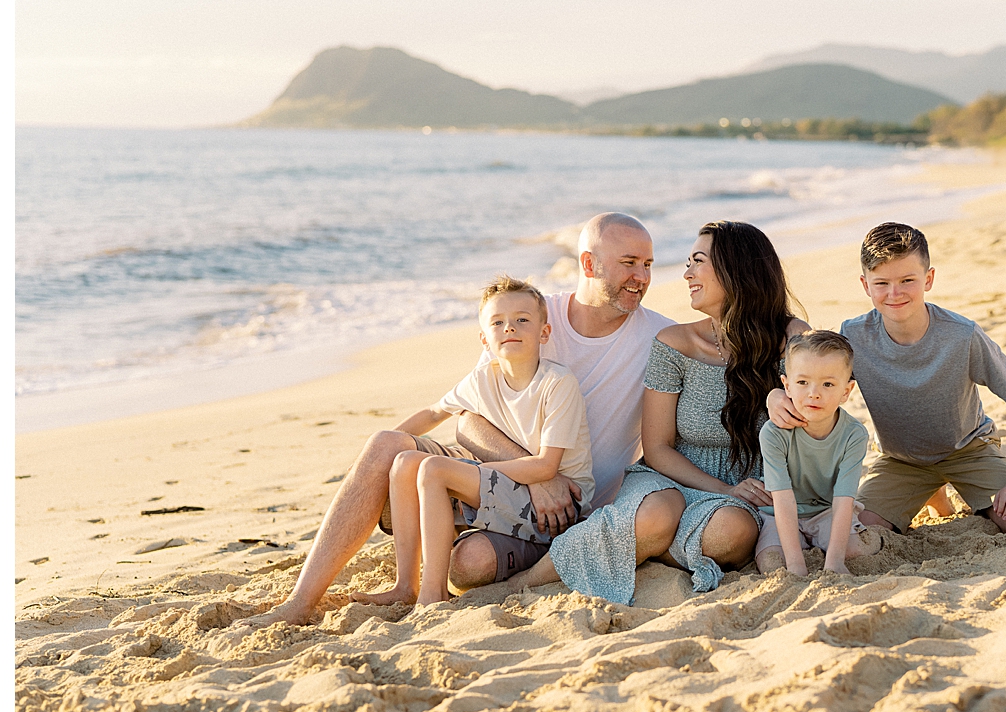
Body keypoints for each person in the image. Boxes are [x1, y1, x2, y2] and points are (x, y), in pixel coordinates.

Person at [241, 212, 694, 627]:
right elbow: (468, 421)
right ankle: (302, 602)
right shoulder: (526, 315)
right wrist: (538, 473)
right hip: (507, 474)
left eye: (649, 265)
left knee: (470, 566)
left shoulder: (660, 337)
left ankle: (442, 545)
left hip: (563, 510)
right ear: (589, 264)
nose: (642, 278)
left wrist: (548, 474)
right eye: (630, 263)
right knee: (385, 446)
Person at [476, 220, 810, 606]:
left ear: (736, 269)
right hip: (670, 474)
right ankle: (524, 584)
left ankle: (647, 547)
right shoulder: (674, 341)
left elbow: (816, 410)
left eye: (697, 262)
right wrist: (721, 488)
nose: (685, 273)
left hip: (745, 485)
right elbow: (657, 448)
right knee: (654, 516)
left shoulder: (792, 337)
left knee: (730, 535)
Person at [768, 221, 1006, 536]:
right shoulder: (852, 336)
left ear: (928, 279)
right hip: (901, 461)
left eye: (907, 280)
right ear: (865, 285)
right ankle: (930, 491)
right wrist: (774, 395)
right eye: (882, 283)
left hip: (968, 450)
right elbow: (809, 371)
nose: (894, 293)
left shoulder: (961, 335)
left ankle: (945, 488)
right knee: (859, 531)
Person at [351, 276, 593, 606]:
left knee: (436, 470)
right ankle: (406, 585)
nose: (510, 328)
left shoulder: (556, 383)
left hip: (559, 506)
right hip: (514, 485)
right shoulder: (483, 378)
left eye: (522, 319)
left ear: (544, 332)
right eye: (498, 322)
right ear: (484, 339)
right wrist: (379, 450)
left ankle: (433, 594)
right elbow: (433, 413)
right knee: (406, 461)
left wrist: (472, 472)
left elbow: (547, 465)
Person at [754, 330, 878, 576]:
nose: (814, 393)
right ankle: (800, 548)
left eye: (828, 384)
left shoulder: (854, 434)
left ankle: (830, 544)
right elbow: (783, 500)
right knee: (772, 563)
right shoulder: (773, 433)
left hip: (827, 511)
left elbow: (844, 501)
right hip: (779, 513)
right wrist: (796, 565)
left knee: (855, 552)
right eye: (802, 382)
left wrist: (834, 563)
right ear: (786, 386)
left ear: (846, 391)